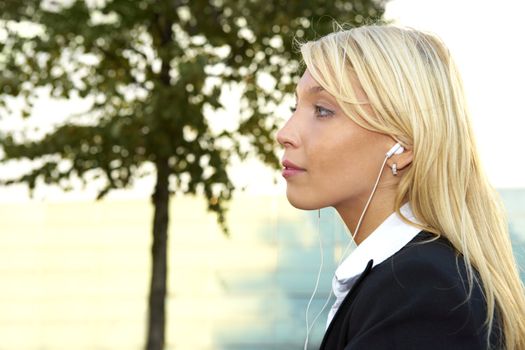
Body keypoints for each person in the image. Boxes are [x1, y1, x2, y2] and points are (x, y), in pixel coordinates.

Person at [276, 24, 525, 350]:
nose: (285, 132)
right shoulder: (414, 281)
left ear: (403, 145)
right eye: (295, 107)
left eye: (322, 110)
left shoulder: (423, 291)